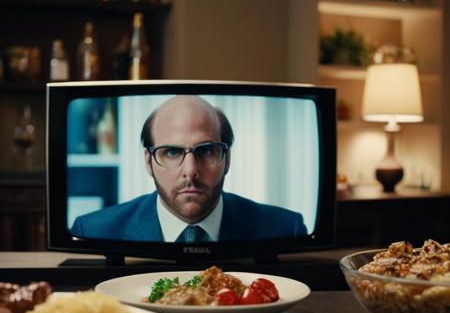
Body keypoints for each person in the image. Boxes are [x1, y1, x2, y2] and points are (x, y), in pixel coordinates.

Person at [71, 95, 307, 242]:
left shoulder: (286, 229)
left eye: (205, 151)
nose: (190, 171)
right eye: (172, 152)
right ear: (148, 162)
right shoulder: (93, 231)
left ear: (228, 158)